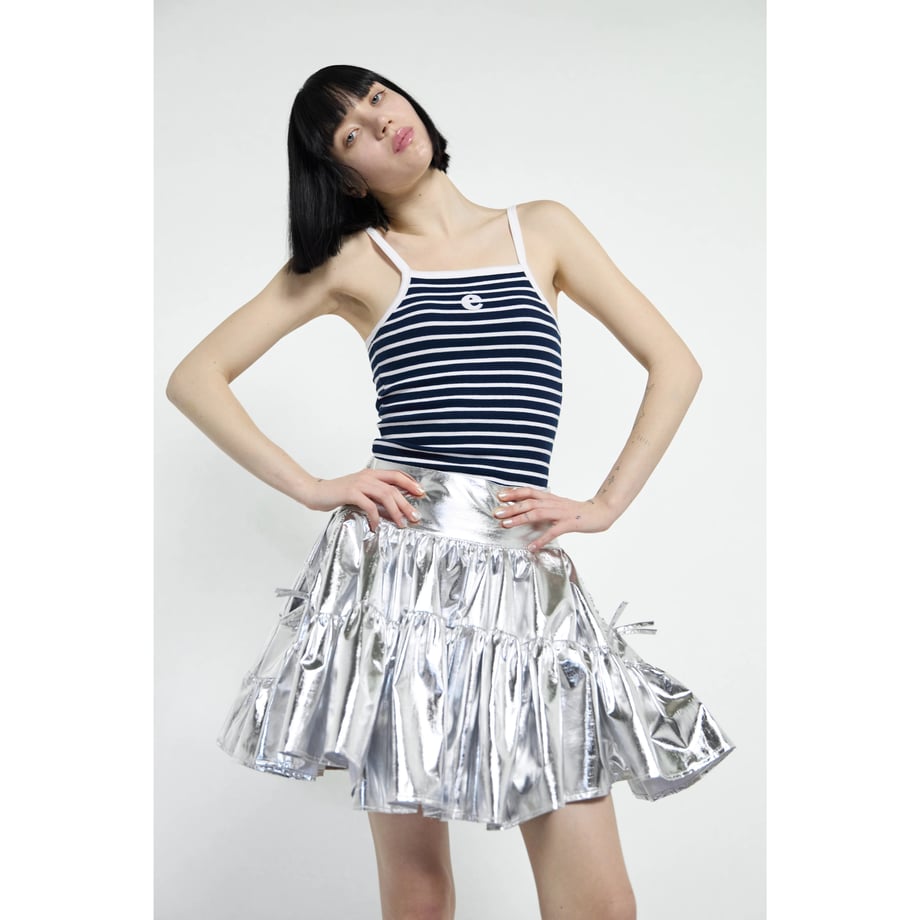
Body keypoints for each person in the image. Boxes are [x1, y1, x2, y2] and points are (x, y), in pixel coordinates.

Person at [166, 64, 735, 920]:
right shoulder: (355, 260)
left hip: (521, 568)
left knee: (600, 905)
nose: (379, 122)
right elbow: (196, 377)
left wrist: (605, 504)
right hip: (399, 577)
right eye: (350, 132)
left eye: (376, 98)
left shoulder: (542, 229)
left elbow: (675, 364)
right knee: (421, 893)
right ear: (344, 176)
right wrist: (314, 486)